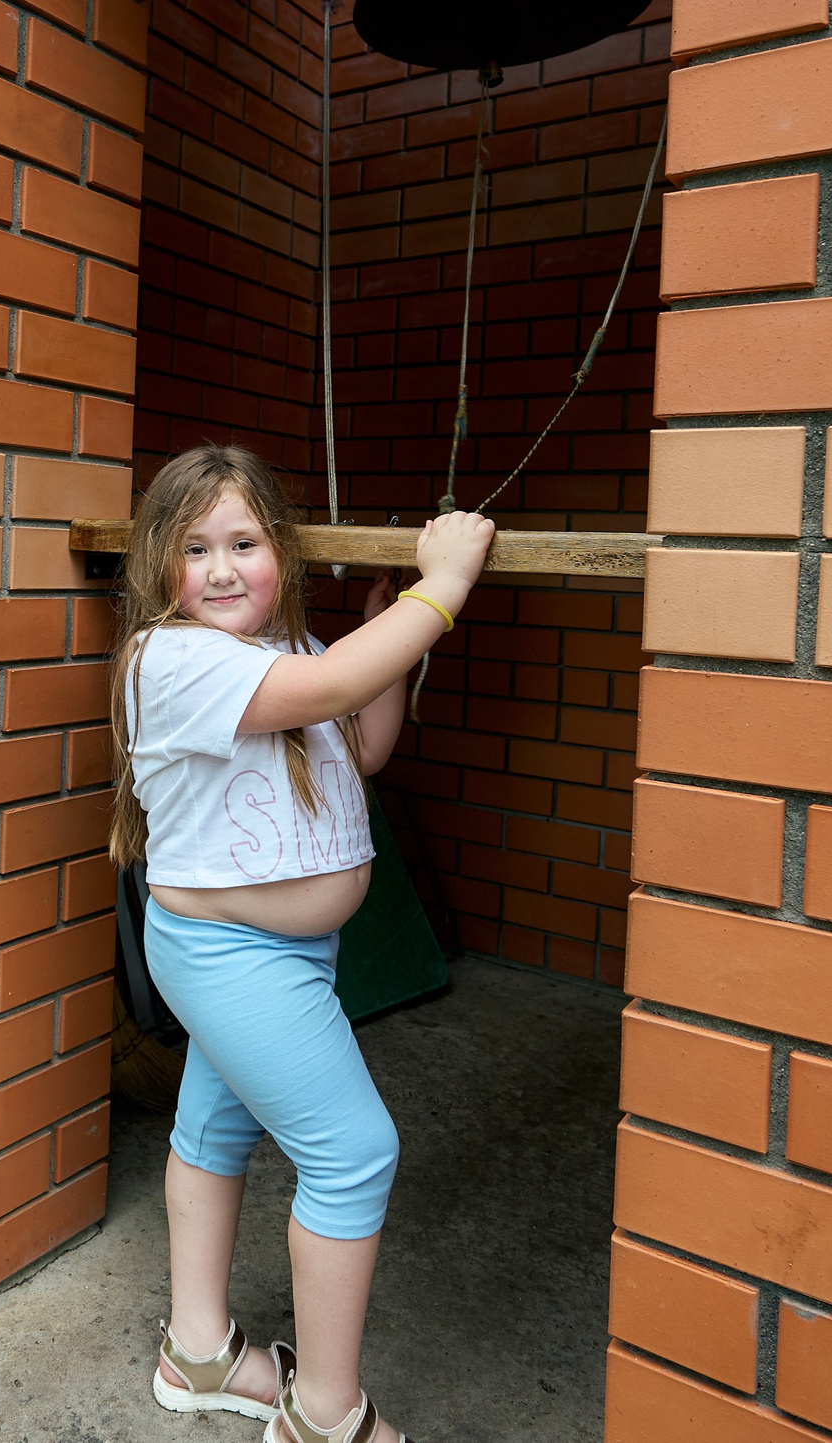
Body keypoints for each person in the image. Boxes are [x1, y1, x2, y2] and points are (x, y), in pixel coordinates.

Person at [109, 443, 494, 1443]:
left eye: (245, 542)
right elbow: (329, 695)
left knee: (214, 1132)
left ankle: (197, 1354)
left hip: (273, 959)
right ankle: (325, 1414)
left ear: (280, 550)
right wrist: (439, 593)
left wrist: (383, 642)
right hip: (227, 955)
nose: (224, 569)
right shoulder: (173, 657)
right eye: (196, 550)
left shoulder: (292, 654)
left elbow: (359, 741)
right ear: (158, 566)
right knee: (354, 1154)